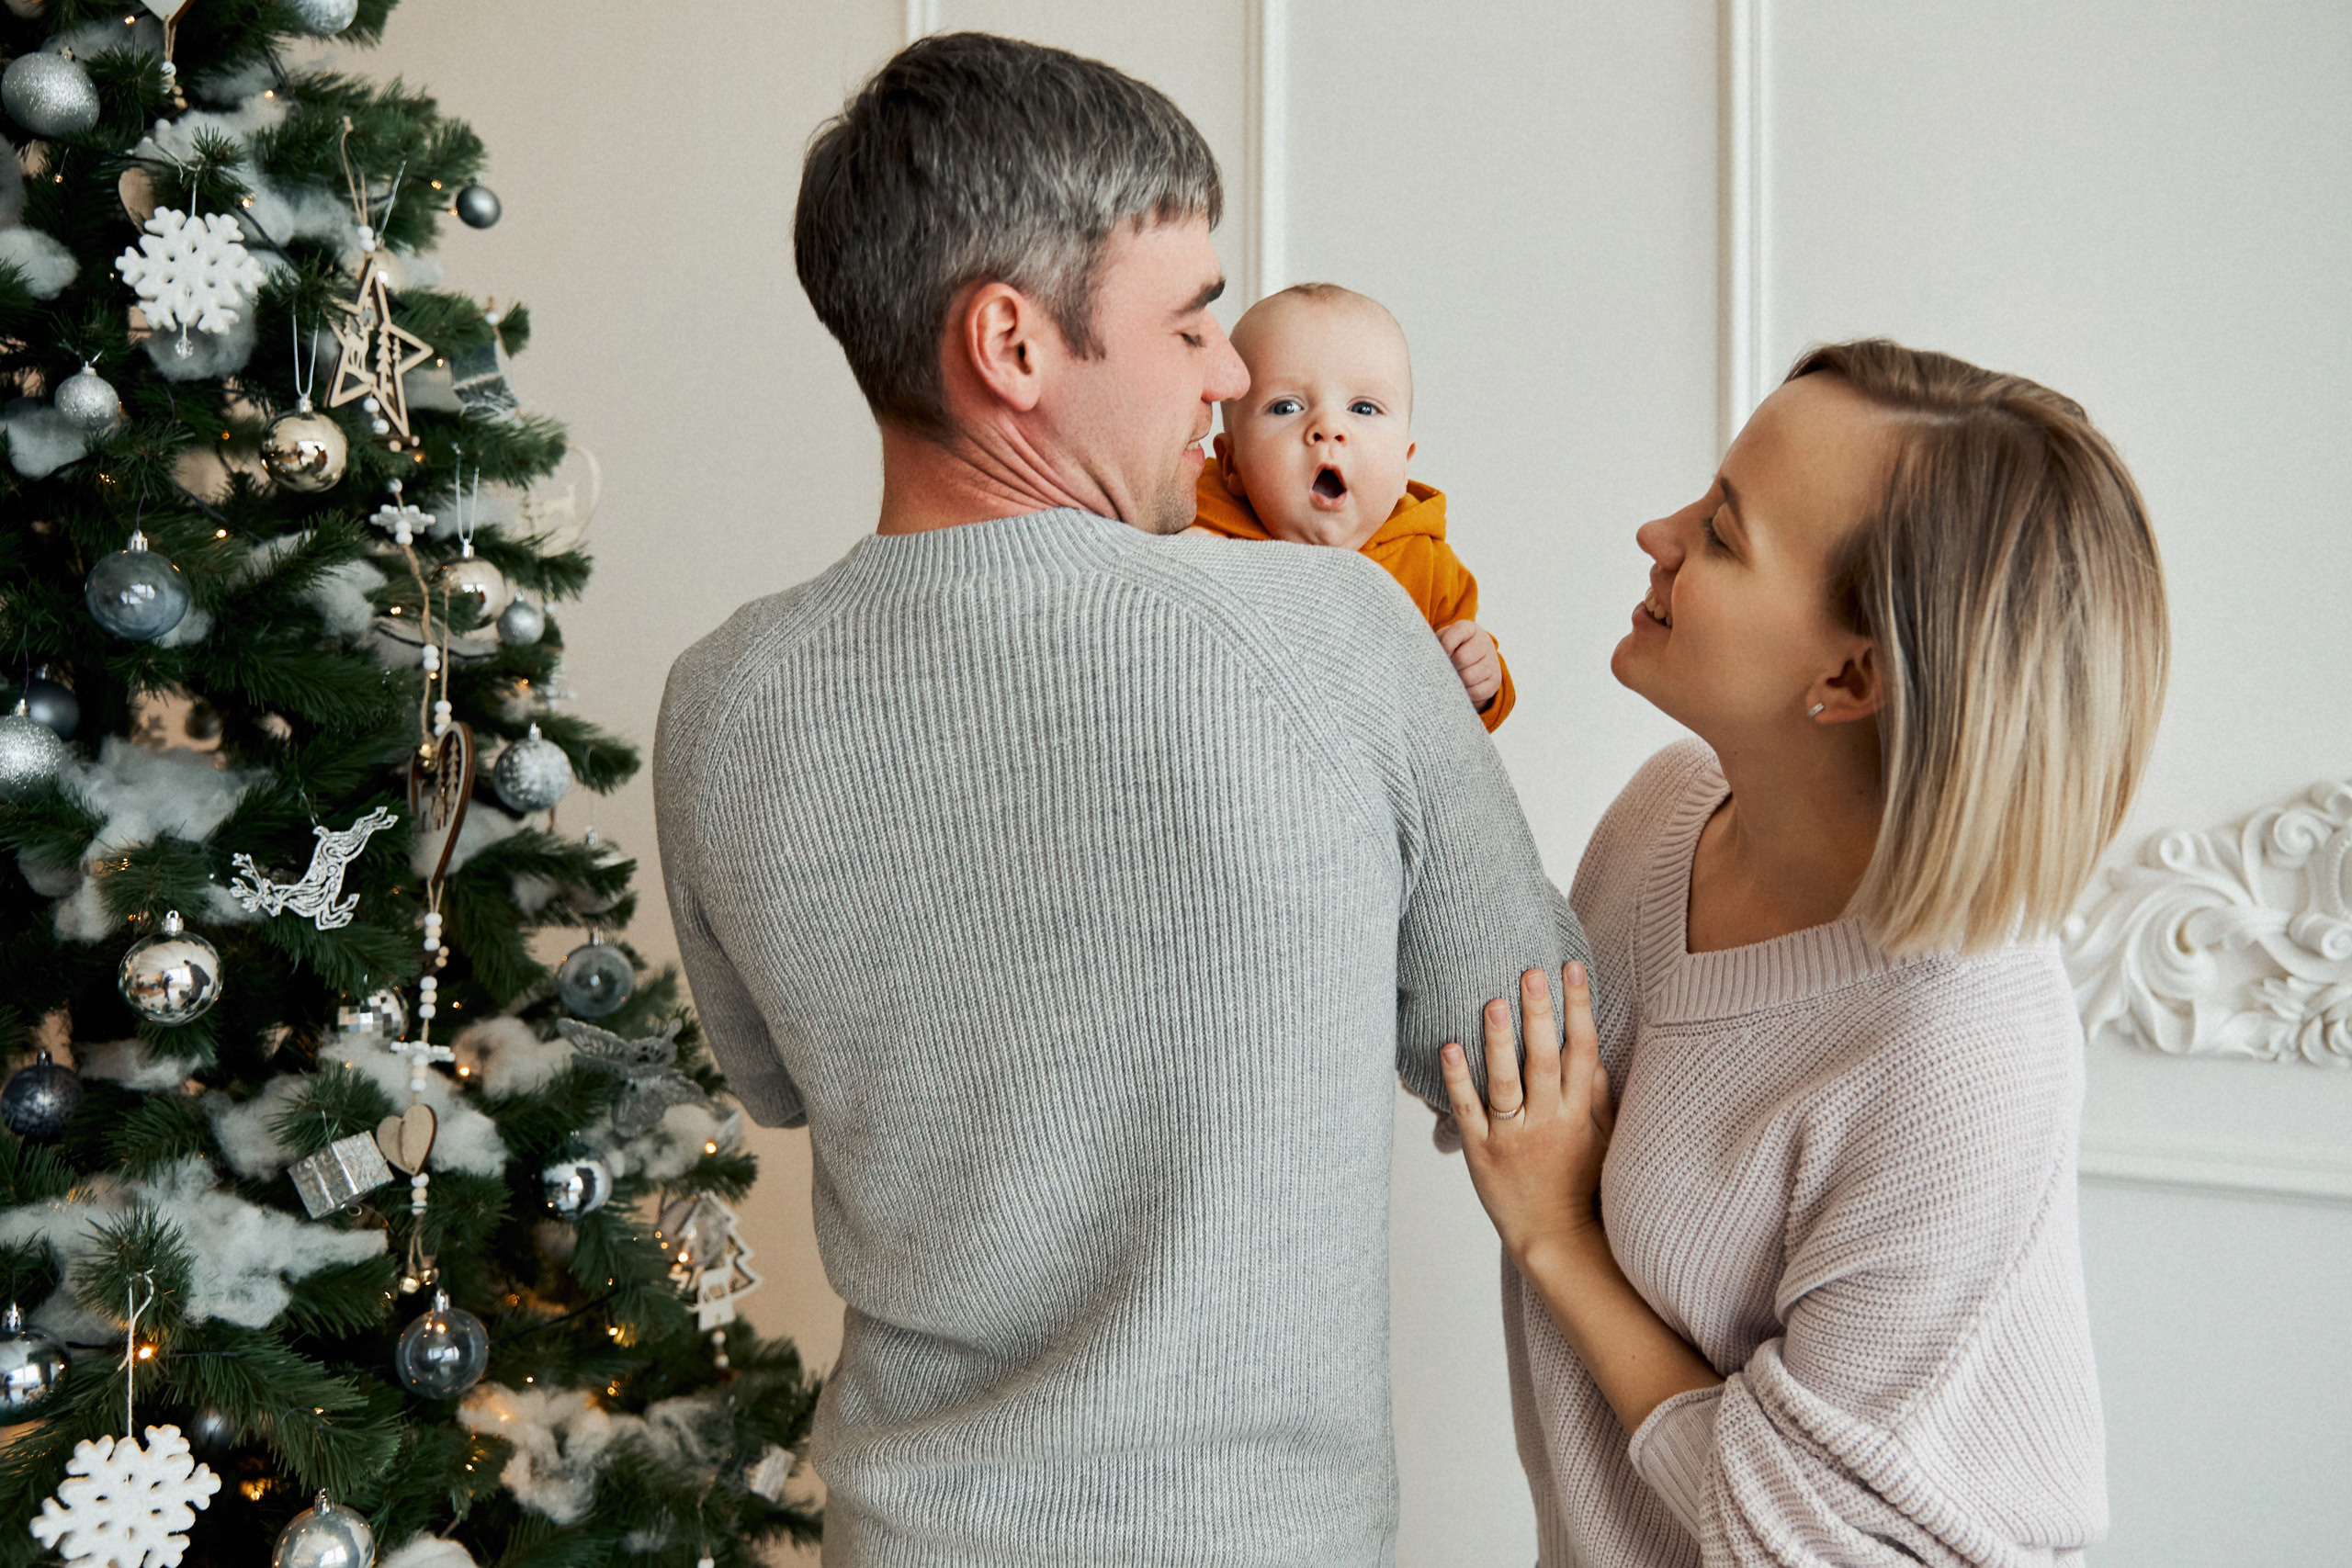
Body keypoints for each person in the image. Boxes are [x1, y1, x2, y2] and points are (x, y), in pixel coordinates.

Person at [652, 32, 1583, 1567]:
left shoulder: (720, 698)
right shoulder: (1332, 633)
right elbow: (1532, 1044)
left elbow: (776, 1084)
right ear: (1012, 346)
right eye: (1196, 322)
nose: (1230, 384)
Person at [1436, 341, 2164, 1565]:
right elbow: (1516, 1084)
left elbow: (1798, 1539)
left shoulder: (1963, 1047)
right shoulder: (1666, 811)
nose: (1654, 532)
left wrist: (1561, 1235)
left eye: (1720, 534)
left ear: (1851, 673)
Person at [1189, 283, 1515, 729]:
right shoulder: (1199, 526)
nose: (1328, 428)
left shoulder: (1427, 565)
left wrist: (1482, 681)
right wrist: (1181, 559)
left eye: (1363, 408)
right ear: (1232, 466)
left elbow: (1466, 713)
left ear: (1404, 466)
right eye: (1286, 407)